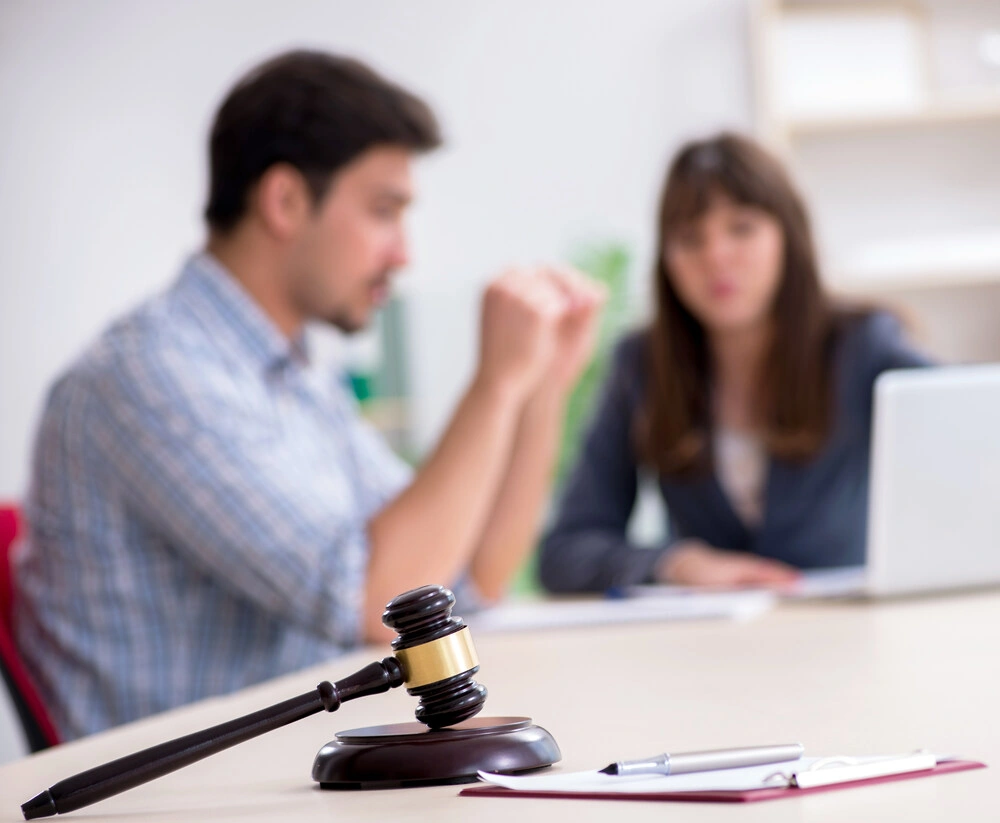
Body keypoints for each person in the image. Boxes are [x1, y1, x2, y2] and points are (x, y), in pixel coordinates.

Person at [15, 50, 604, 740]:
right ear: (287, 201)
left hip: (296, 765)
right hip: (184, 796)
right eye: (385, 211)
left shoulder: (294, 378)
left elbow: (471, 574)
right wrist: (494, 381)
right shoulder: (149, 376)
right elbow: (376, 602)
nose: (403, 253)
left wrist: (540, 387)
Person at [538, 132, 930, 594]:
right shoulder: (642, 365)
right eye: (689, 238)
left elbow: (972, 425)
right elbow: (564, 553)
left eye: (741, 228)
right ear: (667, 259)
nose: (716, 257)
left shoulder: (863, 343)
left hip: (849, 631)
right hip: (711, 647)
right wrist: (677, 562)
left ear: (787, 235)